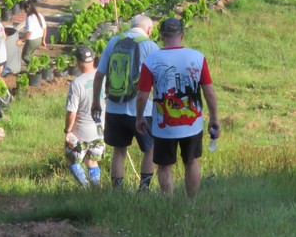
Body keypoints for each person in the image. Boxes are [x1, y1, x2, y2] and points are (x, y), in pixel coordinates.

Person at [135, 17, 220, 199]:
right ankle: (191, 202)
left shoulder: (151, 60)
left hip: (164, 125)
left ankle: (169, 203)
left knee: (164, 165)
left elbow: (142, 95)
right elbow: (209, 93)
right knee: (192, 161)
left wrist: (139, 117)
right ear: (181, 35)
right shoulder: (198, 58)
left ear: (161, 35)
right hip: (192, 124)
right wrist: (214, 118)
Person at [91, 14, 160, 190]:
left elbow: (99, 75)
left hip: (114, 107)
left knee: (119, 150)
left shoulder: (114, 41)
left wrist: (96, 102)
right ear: (149, 30)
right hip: (141, 110)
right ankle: (143, 188)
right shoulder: (150, 46)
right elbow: (158, 79)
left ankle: (117, 189)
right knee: (150, 148)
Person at [64, 45, 105, 188]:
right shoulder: (103, 77)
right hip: (100, 130)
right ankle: (96, 188)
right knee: (92, 161)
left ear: (78, 62)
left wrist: (68, 131)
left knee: (72, 160)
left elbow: (72, 111)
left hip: (81, 131)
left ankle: (85, 188)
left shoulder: (77, 83)